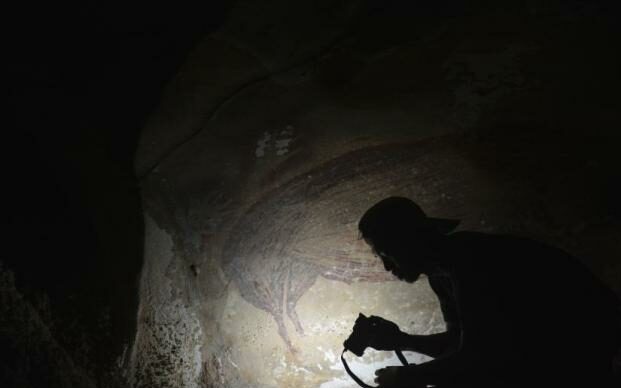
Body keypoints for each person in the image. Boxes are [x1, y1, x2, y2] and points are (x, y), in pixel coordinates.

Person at [354, 197, 621, 388]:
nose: (387, 267)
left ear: (409, 241)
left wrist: (407, 377)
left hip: (590, 356)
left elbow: (480, 355)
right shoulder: (443, 273)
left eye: (387, 254)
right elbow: (462, 344)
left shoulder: (473, 260)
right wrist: (401, 340)